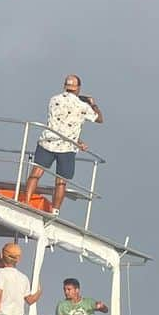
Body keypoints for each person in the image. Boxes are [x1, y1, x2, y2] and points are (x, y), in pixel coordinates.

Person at [22, 74, 103, 214]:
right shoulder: (82, 106)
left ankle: (26, 202)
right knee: (61, 181)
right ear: (78, 88)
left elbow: (60, 124)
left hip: (47, 141)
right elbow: (99, 119)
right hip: (66, 148)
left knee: (36, 173)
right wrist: (92, 103)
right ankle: (55, 211)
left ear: (65, 86)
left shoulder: (54, 99)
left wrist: (79, 141)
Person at [0, 243, 42, 315]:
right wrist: (39, 290)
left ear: (2, 255)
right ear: (18, 259)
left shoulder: (0, 273)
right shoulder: (24, 278)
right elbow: (30, 300)